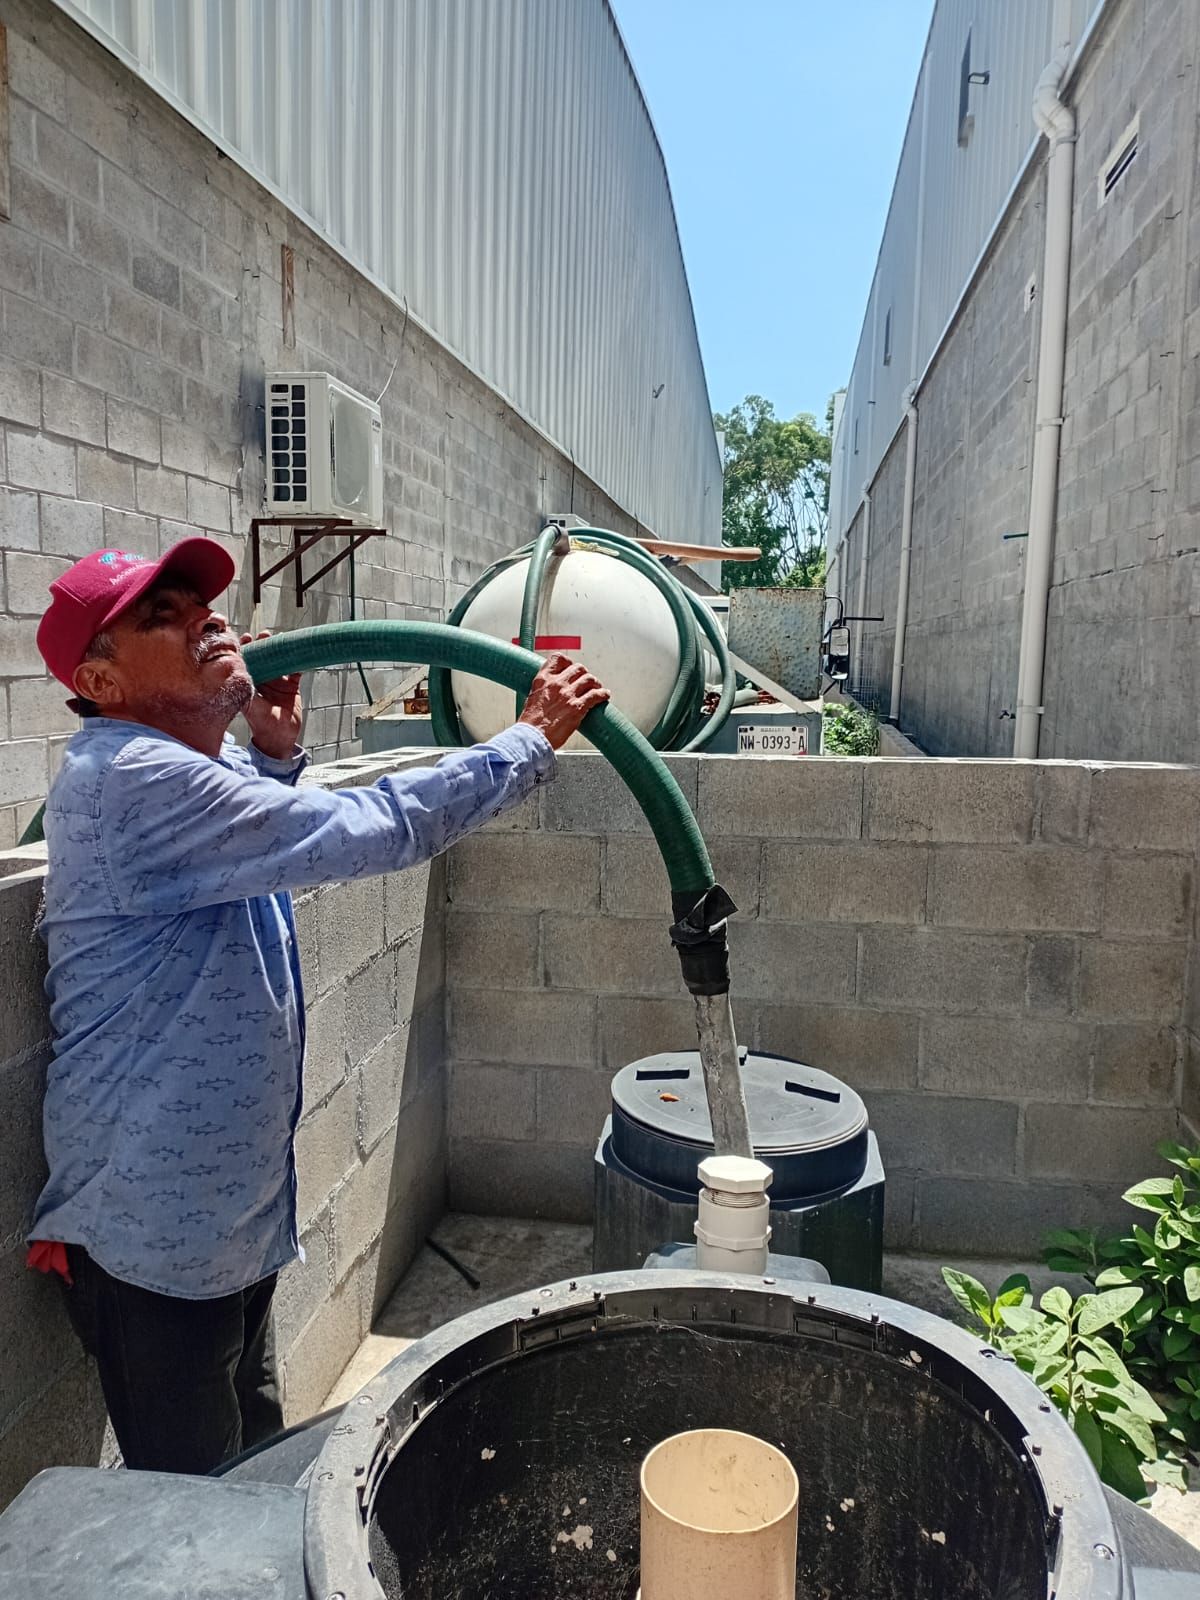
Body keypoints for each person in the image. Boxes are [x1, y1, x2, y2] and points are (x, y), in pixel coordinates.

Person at [27, 538, 607, 1475]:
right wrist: (523, 743)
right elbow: (359, 829)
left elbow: (247, 846)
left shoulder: (181, 769)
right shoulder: (133, 777)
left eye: (201, 604)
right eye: (160, 616)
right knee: (192, 1517)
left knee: (252, 1466)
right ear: (101, 678)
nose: (206, 618)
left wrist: (276, 753)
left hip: (220, 1229)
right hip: (155, 1244)